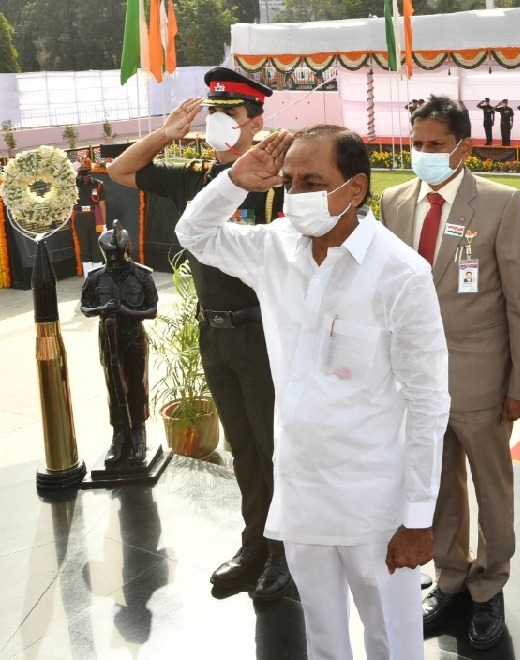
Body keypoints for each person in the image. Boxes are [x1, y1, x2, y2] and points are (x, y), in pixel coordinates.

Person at [174, 125, 449, 660]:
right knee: (321, 636)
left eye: (312, 181)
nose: (296, 194)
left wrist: (418, 516)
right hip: (300, 488)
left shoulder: (400, 273)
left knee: (391, 635)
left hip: (374, 498)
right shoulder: (276, 248)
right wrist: (235, 180)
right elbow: (195, 233)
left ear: (355, 189)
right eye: (291, 181)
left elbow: (427, 400)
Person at [106, 67, 291, 601]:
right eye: (211, 114)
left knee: (275, 446)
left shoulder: (280, 181)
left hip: (264, 333)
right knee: (242, 447)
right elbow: (120, 172)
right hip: (215, 332)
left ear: (255, 120)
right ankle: (255, 542)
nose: (216, 124)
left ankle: (286, 551)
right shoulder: (196, 175)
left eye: (228, 114)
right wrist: (165, 133)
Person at [378, 95, 520, 651]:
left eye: (436, 145)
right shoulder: (395, 202)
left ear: (462, 147)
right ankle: (451, 579)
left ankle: (488, 586)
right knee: (437, 484)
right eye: (417, 144)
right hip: (416, 381)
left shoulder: (500, 204)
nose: (424, 154)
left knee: (491, 489)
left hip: (481, 379)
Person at [80, 221, 158, 465]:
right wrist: (102, 309)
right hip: (108, 340)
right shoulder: (95, 278)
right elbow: (85, 306)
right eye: (110, 258)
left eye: (118, 257)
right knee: (114, 388)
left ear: (128, 250)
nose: (114, 262)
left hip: (133, 338)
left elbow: (152, 309)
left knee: (136, 385)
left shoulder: (142, 275)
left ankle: (138, 434)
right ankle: (120, 436)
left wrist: (124, 310)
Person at [73, 157, 107, 277]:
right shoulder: (73, 183)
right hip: (80, 219)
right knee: (84, 247)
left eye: (86, 168)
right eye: (81, 168)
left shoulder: (98, 184)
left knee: (96, 247)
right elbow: (65, 175)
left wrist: (103, 223)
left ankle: (97, 276)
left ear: (90, 168)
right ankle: (88, 277)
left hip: (95, 218)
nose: (84, 170)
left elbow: (102, 205)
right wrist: (77, 163)